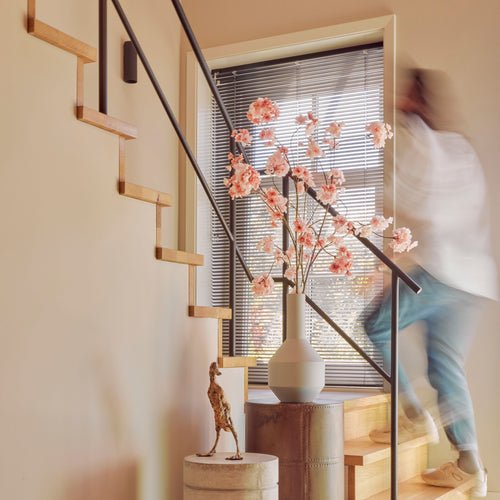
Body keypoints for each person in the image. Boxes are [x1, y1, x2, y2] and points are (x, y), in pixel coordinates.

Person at [364, 68, 497, 497]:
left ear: (415, 101)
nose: (398, 102)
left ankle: (411, 416)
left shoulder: (421, 141)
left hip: (439, 270)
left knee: (377, 325)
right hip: (472, 280)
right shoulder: (462, 149)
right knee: (445, 366)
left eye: (405, 96)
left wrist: (397, 257)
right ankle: (470, 464)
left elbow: (411, 203)